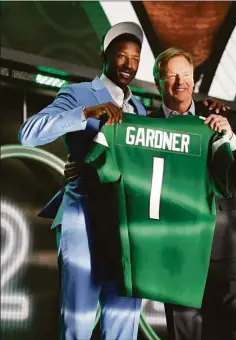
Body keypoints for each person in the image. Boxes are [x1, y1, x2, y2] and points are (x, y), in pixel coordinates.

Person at [18, 22, 147, 340]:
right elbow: (29, 133)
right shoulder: (77, 93)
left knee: (123, 324)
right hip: (83, 220)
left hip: (127, 229)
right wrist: (86, 112)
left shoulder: (141, 109)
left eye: (135, 58)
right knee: (78, 322)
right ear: (104, 55)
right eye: (121, 56)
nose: (129, 65)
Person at [148, 47, 236, 340]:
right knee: (183, 334)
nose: (180, 82)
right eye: (171, 75)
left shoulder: (220, 116)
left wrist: (231, 138)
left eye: (185, 74)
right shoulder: (146, 124)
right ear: (158, 80)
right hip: (176, 249)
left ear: (194, 79)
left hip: (227, 246)